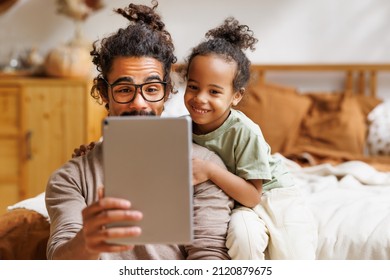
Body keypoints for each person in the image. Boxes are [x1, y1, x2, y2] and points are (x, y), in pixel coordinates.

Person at [45, 1, 233, 260]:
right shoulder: (70, 178)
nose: (139, 102)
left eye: (152, 89)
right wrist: (86, 242)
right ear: (103, 93)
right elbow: (59, 264)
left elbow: (210, 257)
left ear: (167, 93)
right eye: (124, 90)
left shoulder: (205, 167)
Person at [183, 17, 317, 259]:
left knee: (294, 256)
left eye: (214, 91)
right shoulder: (182, 128)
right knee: (243, 240)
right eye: (193, 87)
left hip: (272, 195)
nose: (200, 98)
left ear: (236, 96)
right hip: (237, 203)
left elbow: (254, 195)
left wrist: (210, 171)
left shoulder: (244, 131)